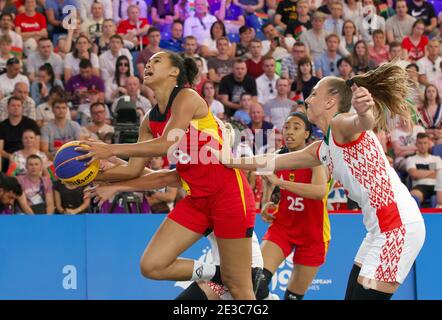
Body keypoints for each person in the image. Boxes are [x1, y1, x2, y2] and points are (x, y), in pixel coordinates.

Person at [211, 60, 426, 300]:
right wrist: (230, 161)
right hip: (378, 229)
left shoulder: (340, 124)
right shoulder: (323, 148)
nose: (308, 99)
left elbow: (360, 123)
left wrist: (364, 112)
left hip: (397, 226)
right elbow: (272, 160)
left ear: (330, 102)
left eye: (314, 94)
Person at [77, 52, 257, 299]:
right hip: (197, 200)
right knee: (152, 265)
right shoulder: (149, 120)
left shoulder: (187, 97)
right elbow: (133, 169)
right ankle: (217, 274)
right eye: (148, 62)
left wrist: (111, 149)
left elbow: (165, 144)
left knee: (241, 289)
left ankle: (228, 277)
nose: (148, 64)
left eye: (156, 61)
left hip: (229, 196)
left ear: (174, 72)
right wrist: (93, 174)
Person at [255, 112, 330, 300]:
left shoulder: (316, 159)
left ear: (306, 134)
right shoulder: (278, 157)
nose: (289, 132)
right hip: (283, 227)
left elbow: (319, 191)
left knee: (293, 298)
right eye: (287, 127)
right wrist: (266, 202)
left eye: (296, 128)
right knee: (256, 280)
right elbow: (267, 179)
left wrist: (282, 184)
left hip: (313, 235)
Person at [406, 132, 442, 206]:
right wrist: (432, 172)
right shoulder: (411, 159)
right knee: (413, 195)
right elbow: (414, 174)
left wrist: (420, 173)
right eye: (420, 143)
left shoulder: (435, 159)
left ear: (429, 144)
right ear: (416, 144)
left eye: (425, 143)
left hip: (436, 186)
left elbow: (439, 175)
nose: (422, 146)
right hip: (420, 186)